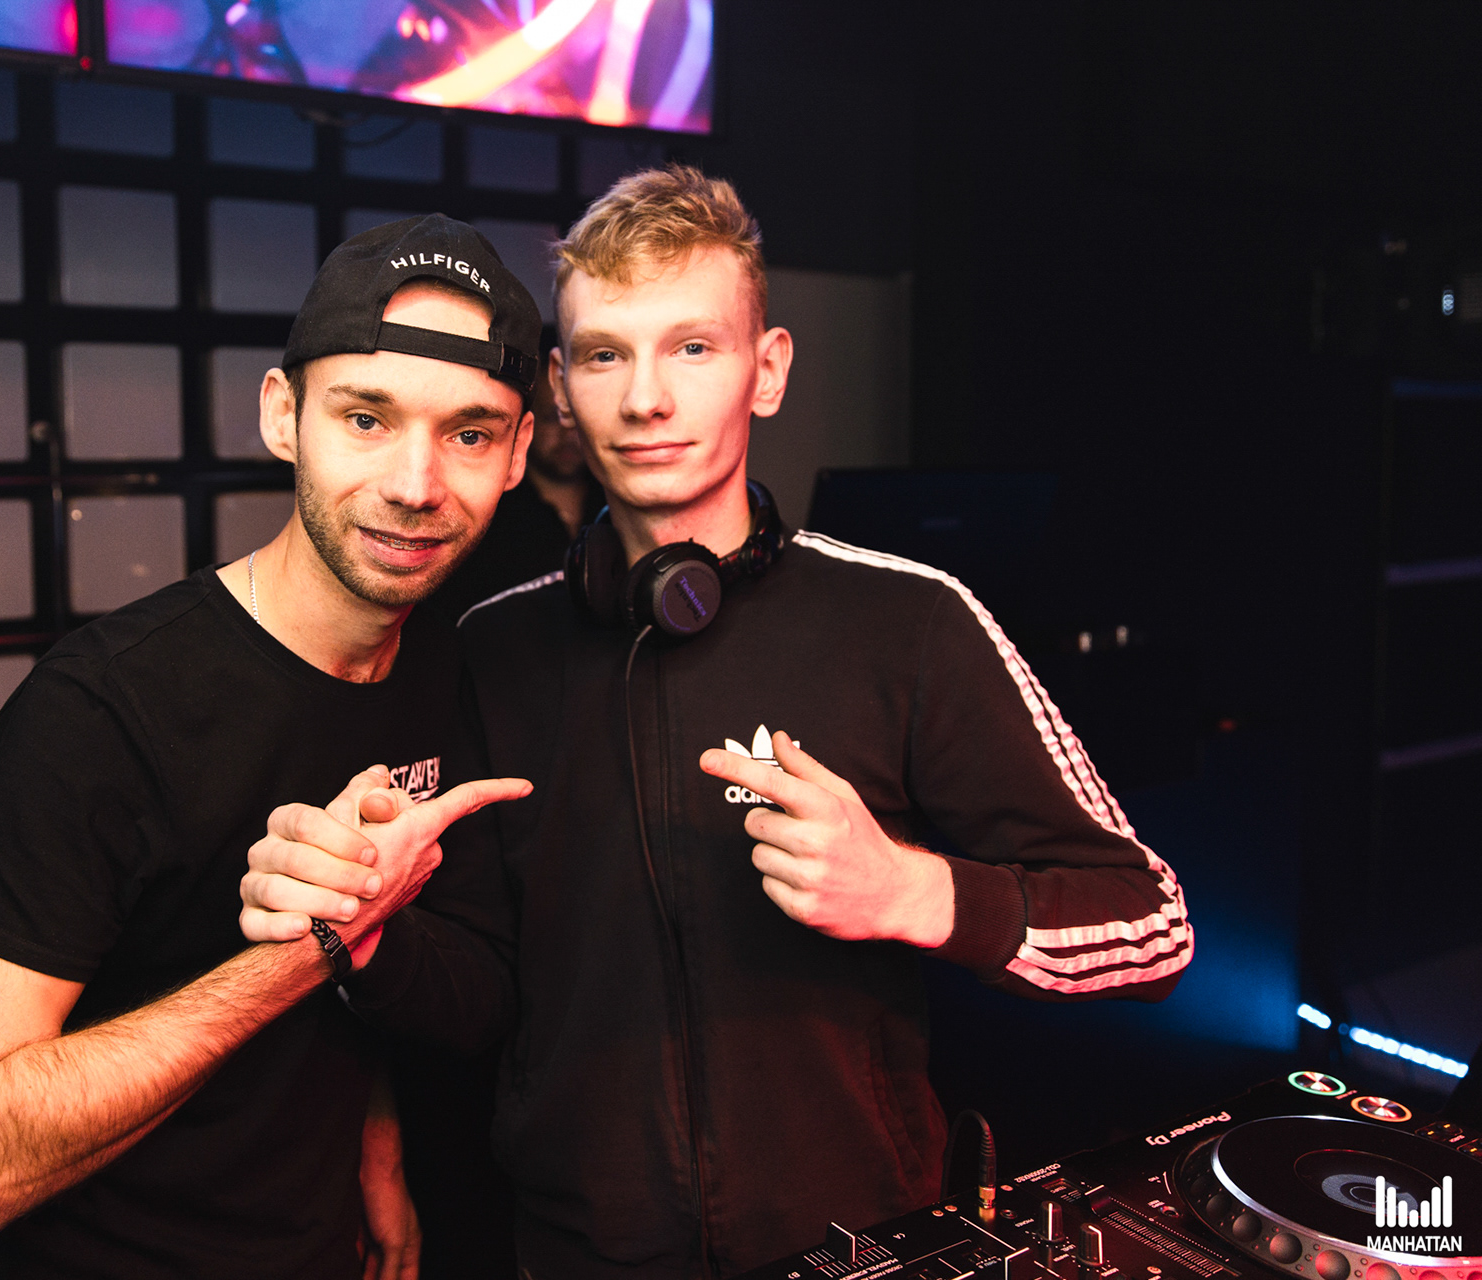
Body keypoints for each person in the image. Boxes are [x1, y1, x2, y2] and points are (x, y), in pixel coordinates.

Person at [238, 167, 1195, 1279]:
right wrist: (369, 934)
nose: (646, 398)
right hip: (576, 1256)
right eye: (605, 355)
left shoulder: (911, 620)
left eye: (692, 347)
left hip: (863, 1247)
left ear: (767, 369)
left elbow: (1154, 924)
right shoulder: (491, 651)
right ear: (561, 390)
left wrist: (911, 892)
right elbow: (483, 988)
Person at [0, 214, 544, 1279]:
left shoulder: (447, 670)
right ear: (283, 415)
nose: (416, 483)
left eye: (470, 434)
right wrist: (313, 943)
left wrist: (377, 1145)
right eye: (366, 417)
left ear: (520, 453)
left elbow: (464, 989)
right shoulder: (103, 709)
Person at [423, 333, 606, 625]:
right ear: (525, 427)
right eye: (552, 418)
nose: (567, 433)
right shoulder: (490, 511)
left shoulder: (613, 504)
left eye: (575, 418)